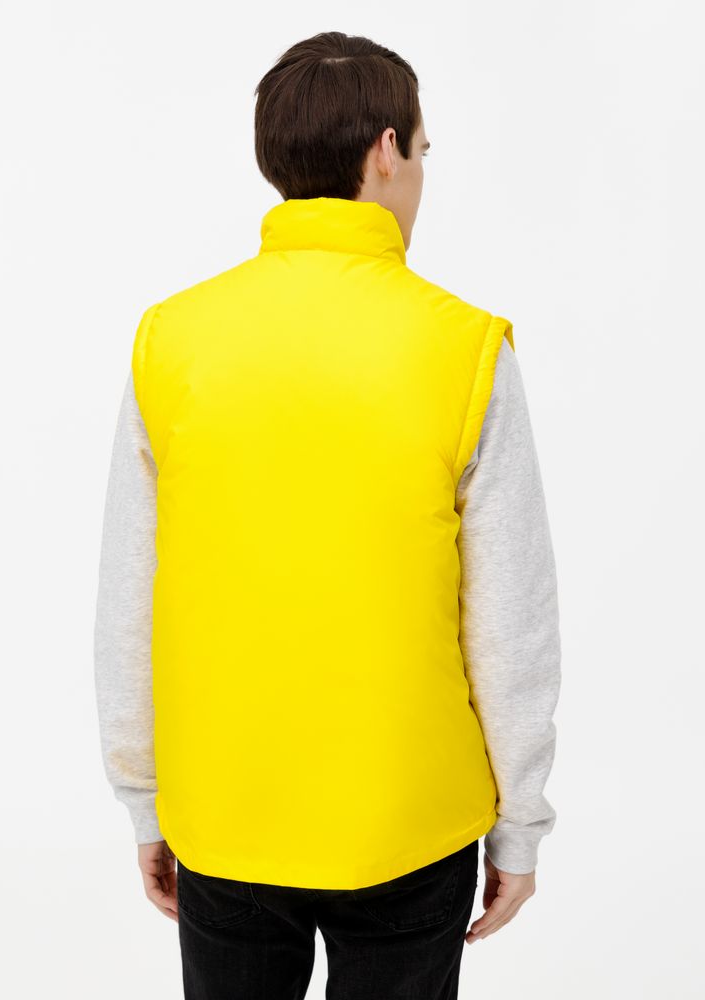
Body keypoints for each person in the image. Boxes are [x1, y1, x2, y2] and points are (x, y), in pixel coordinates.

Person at [93, 30, 561, 1000]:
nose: (421, 174)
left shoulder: (170, 340)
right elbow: (511, 622)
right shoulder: (466, 349)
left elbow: (131, 596)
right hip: (408, 822)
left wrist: (145, 799)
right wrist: (520, 823)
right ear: (386, 151)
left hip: (224, 812)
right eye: (422, 151)